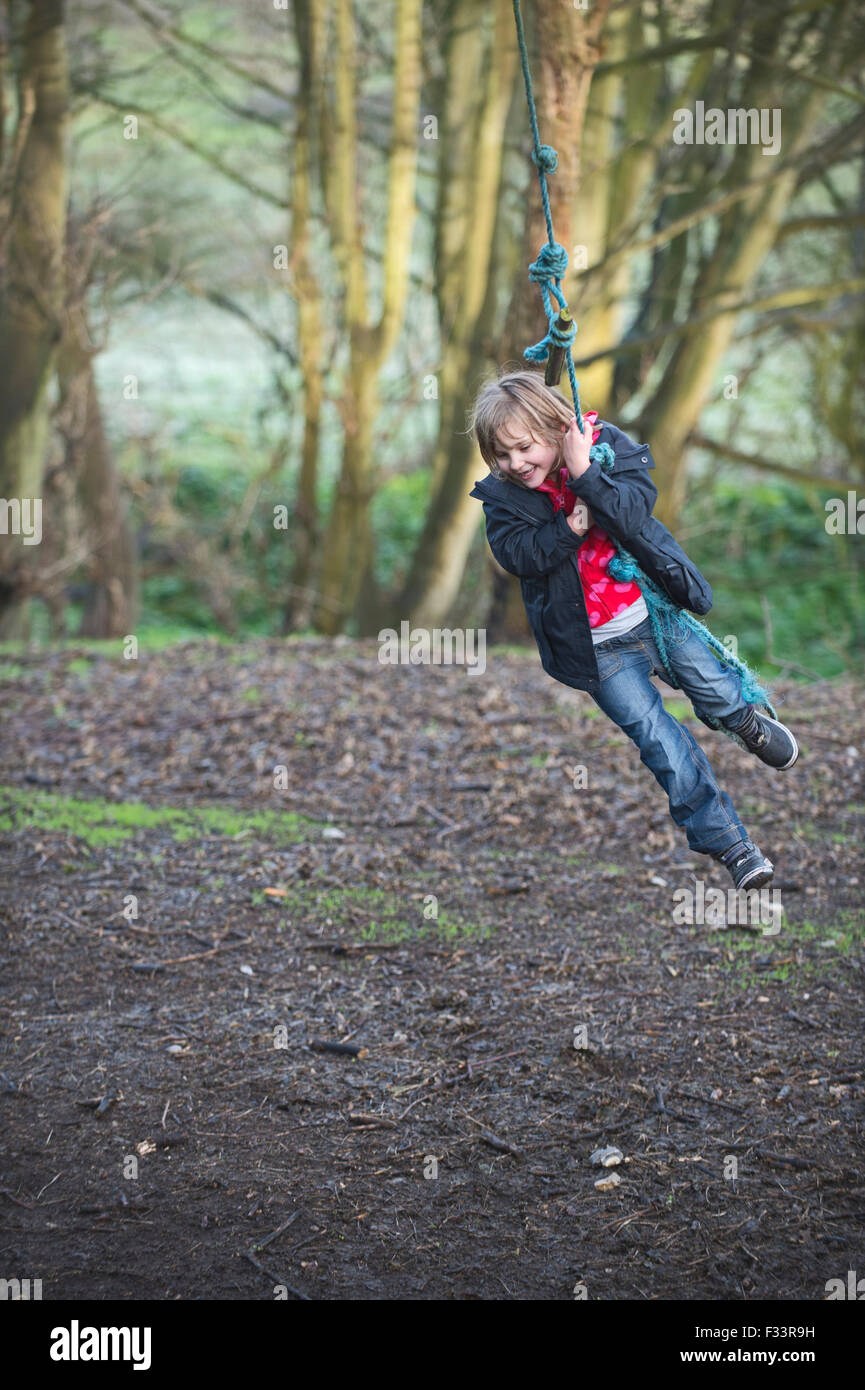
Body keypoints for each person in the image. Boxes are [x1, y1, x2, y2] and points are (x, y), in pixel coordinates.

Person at [468, 370, 799, 891]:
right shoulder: (503, 499)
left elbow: (633, 512)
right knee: (659, 741)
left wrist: (584, 476)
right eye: (501, 457)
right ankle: (731, 845)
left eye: (523, 448)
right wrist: (569, 528)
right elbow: (521, 558)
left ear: (555, 427)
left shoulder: (603, 448)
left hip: (654, 613)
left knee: (713, 691)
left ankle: (744, 721)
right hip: (598, 651)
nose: (514, 465)